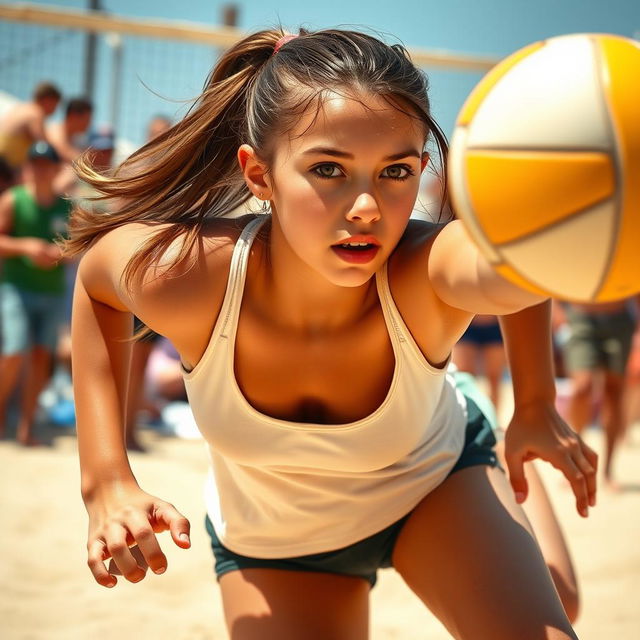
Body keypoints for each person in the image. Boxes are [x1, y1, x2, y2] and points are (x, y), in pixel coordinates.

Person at [66, 29, 597, 640]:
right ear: (259, 175)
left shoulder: (425, 273)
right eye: (328, 169)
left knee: (558, 614)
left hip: (431, 482)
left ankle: (483, 425)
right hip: (277, 539)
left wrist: (533, 402)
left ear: (421, 168)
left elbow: (510, 259)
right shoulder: (194, 277)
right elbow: (97, 283)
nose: (367, 206)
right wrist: (105, 480)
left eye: (395, 170)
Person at [0, 142, 70, 445]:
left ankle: (27, 425)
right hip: (16, 287)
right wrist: (28, 246)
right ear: (28, 167)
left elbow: (77, 245)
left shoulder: (67, 207)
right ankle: (2, 415)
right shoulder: (12, 200)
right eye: (35, 163)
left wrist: (59, 253)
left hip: (51, 291)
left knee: (42, 356)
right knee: (14, 351)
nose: (40, 169)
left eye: (46, 164)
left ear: (55, 169)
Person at [559, 298, 639, 489]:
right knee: (581, 388)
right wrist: (558, 316)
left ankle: (607, 471)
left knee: (614, 394)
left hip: (619, 317)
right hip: (581, 316)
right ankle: (575, 460)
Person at [0, 82, 61, 175]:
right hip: (5, 165)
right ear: (48, 99)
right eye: (55, 104)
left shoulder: (22, 108)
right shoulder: (36, 113)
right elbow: (45, 145)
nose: (55, 110)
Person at [452, 314, 506, 414]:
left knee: (494, 377)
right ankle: (466, 417)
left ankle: (493, 419)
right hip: (467, 321)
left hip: (495, 323)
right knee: (464, 376)